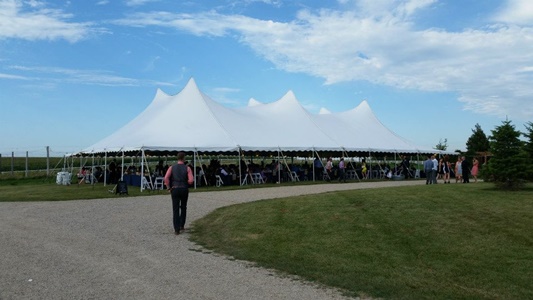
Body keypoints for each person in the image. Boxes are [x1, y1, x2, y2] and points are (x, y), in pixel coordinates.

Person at [164, 152, 194, 235]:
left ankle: (176, 229)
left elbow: (166, 178)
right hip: (184, 188)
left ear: (177, 158)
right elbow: (191, 180)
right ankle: (181, 225)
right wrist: (186, 182)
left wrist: (168, 187)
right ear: (184, 158)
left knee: (175, 208)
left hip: (175, 188)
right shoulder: (187, 168)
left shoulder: (172, 167)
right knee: (183, 207)